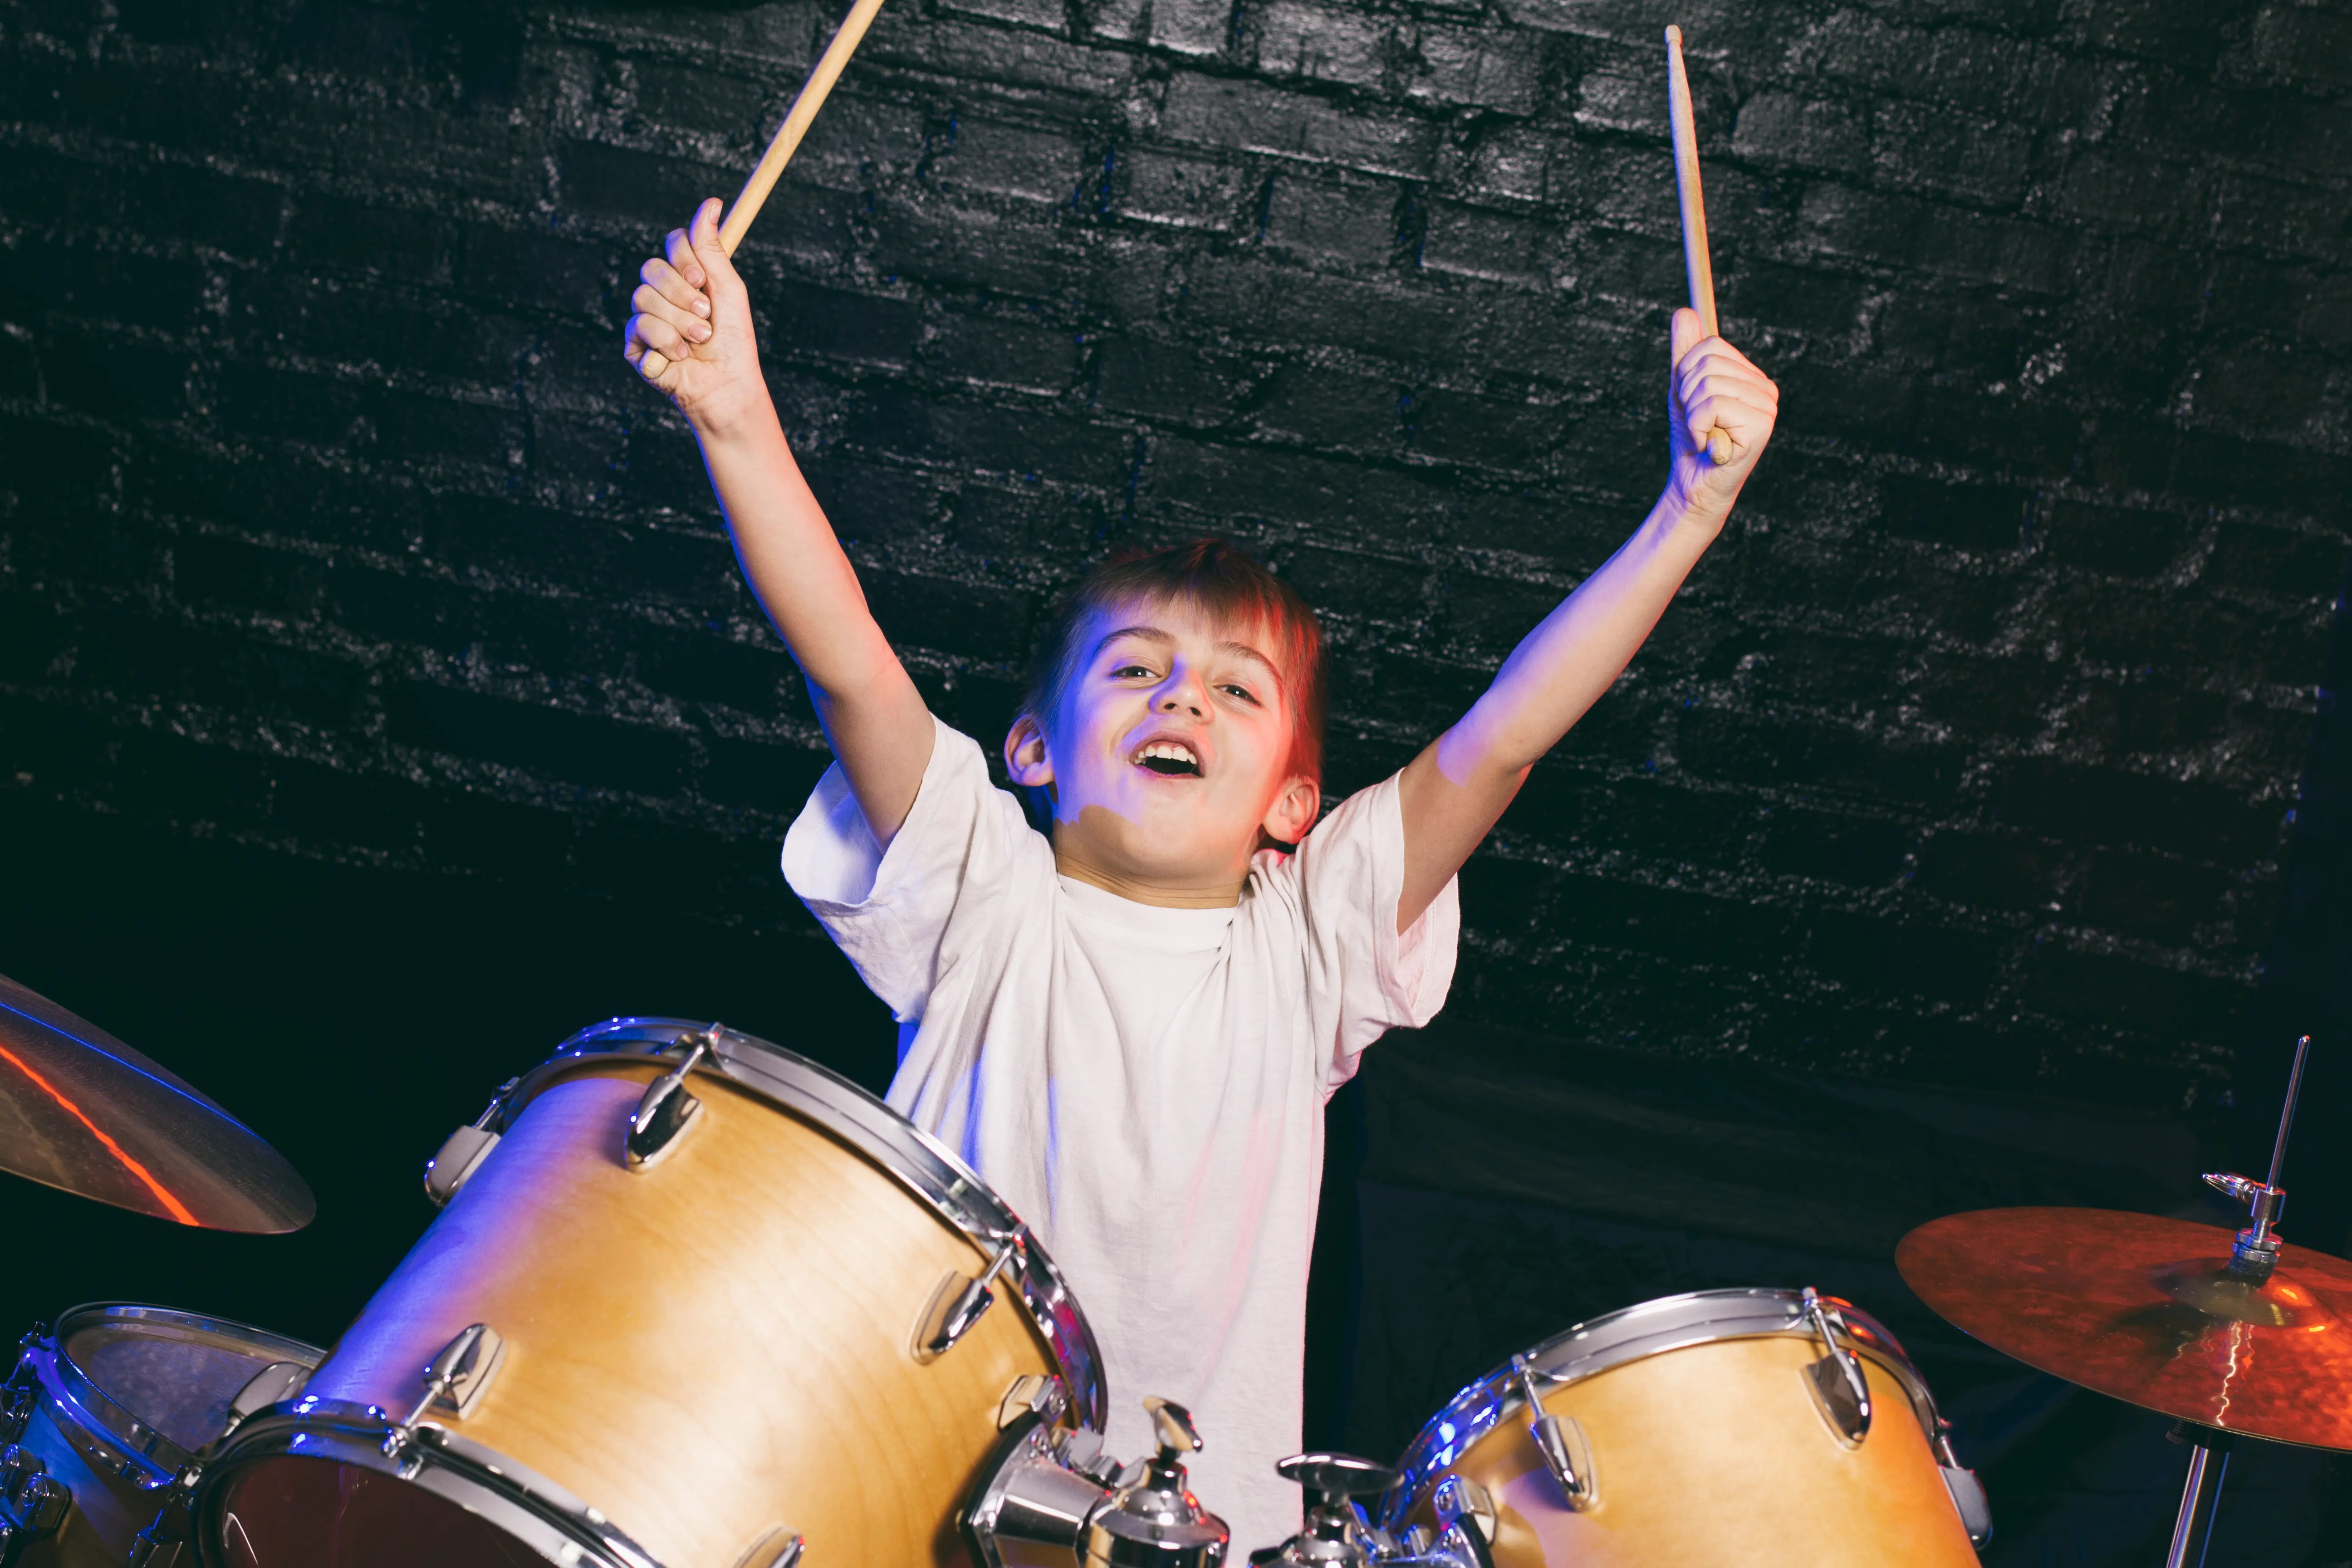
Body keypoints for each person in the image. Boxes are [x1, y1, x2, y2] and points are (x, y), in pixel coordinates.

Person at [623, 196, 1779, 1549]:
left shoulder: (1306, 945)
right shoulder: (983, 895)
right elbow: (850, 663)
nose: (1184, 698)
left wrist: (1689, 515)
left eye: (1238, 688)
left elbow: (1505, 740)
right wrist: (735, 415)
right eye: (1134, 671)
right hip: (913, 1507)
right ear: (1032, 749)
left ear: (1296, 803)